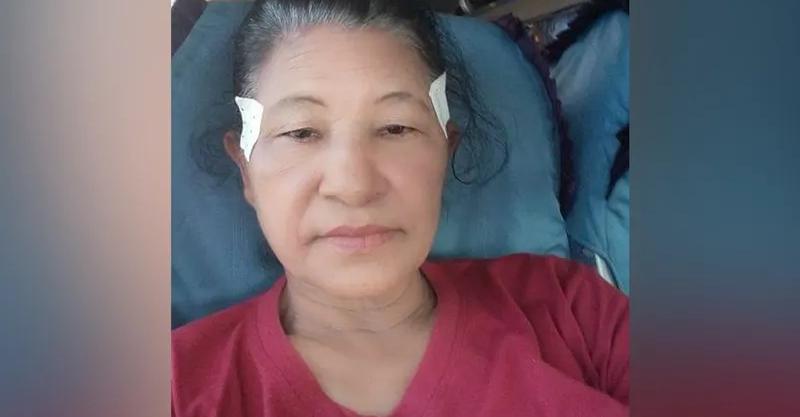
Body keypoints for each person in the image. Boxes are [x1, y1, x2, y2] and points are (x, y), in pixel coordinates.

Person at [172, 1, 629, 416]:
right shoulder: (175, 387)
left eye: (395, 128)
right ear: (246, 171)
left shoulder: (571, 311)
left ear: (445, 151)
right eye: (301, 132)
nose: (354, 187)